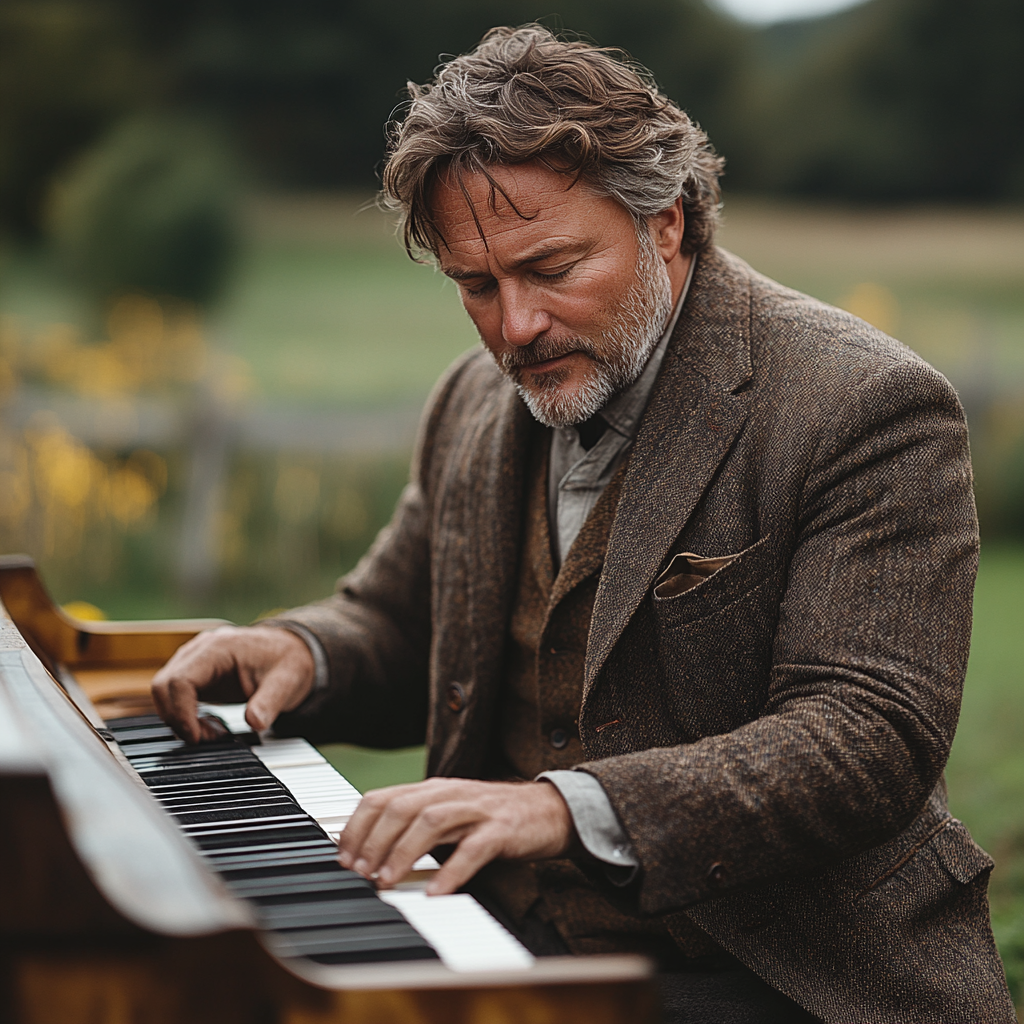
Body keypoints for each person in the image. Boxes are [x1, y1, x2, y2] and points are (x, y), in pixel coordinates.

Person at [152, 25, 1015, 1024]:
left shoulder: (864, 405)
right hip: (497, 938)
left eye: (551, 267)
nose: (514, 327)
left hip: (774, 973)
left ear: (666, 224)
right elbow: (399, 624)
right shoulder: (470, 403)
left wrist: (561, 806)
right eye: (476, 286)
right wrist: (301, 649)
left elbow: (866, 739)